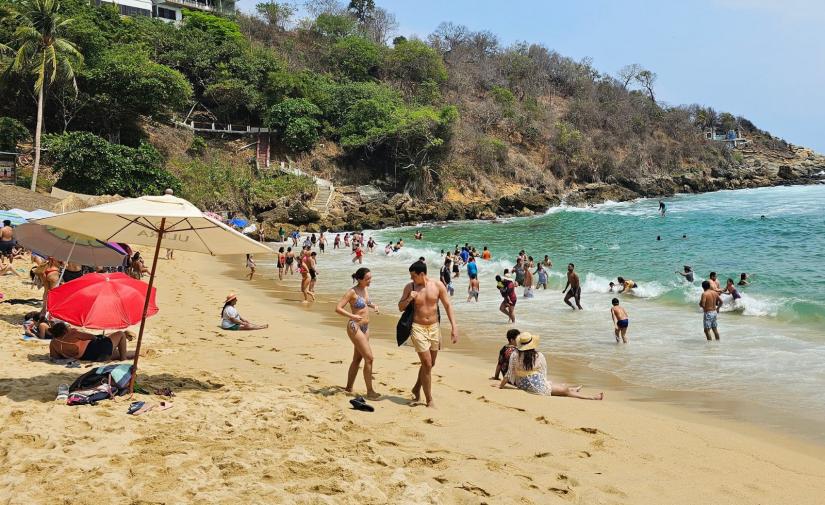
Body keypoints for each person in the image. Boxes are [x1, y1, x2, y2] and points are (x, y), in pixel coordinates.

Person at [397, 261, 459, 408]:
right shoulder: (410, 287)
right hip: (417, 327)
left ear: (422, 274)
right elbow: (400, 307)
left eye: (414, 276)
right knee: (427, 363)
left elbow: (447, 305)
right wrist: (409, 298)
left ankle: (417, 387)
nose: (412, 279)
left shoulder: (437, 286)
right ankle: (429, 400)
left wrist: (454, 326)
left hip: (434, 328)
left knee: (431, 364)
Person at [496, 332, 603, 400]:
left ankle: (573, 389)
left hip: (522, 384)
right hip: (534, 385)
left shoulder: (515, 354)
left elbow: (509, 374)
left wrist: (501, 386)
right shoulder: (538, 355)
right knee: (565, 390)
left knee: (558, 384)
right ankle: (591, 397)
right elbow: (542, 374)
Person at [335, 267, 381, 400]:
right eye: (367, 279)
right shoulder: (351, 292)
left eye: (370, 278)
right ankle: (370, 391)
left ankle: (349, 387)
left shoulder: (365, 289)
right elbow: (338, 308)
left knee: (358, 358)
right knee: (369, 358)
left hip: (366, 327)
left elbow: (366, 302)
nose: (370, 281)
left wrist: (374, 306)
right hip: (354, 326)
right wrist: (352, 316)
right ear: (360, 279)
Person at [49, 323, 134, 361]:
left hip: (90, 357)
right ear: (64, 330)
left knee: (120, 353)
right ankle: (124, 359)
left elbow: (54, 357)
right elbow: (92, 337)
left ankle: (136, 354)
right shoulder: (73, 334)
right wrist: (76, 332)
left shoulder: (53, 343)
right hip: (98, 348)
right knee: (121, 334)